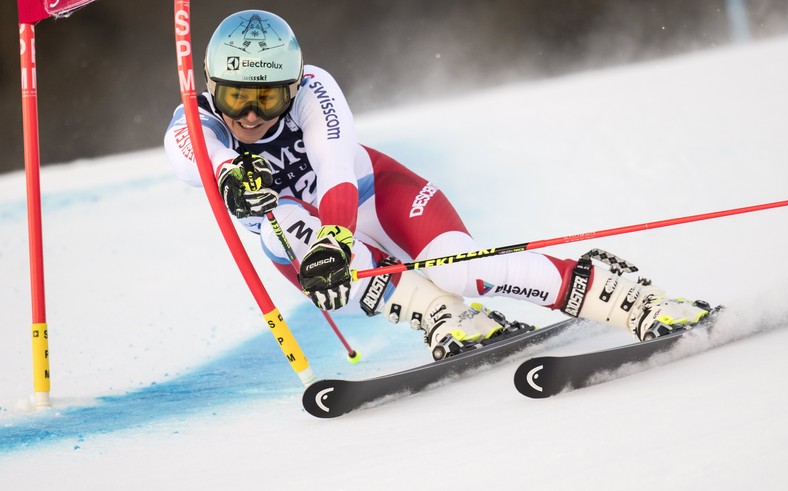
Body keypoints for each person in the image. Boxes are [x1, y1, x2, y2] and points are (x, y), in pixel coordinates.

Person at [164, 9, 712, 360]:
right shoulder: (196, 120)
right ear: (214, 87)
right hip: (308, 251)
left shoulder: (315, 87)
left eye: (269, 98)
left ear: (292, 84)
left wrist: (336, 236)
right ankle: (439, 313)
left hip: (373, 195)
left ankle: (629, 299)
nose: (254, 116)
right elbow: (191, 155)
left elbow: (335, 170)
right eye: (238, 98)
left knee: (464, 269)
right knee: (280, 220)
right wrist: (229, 173)